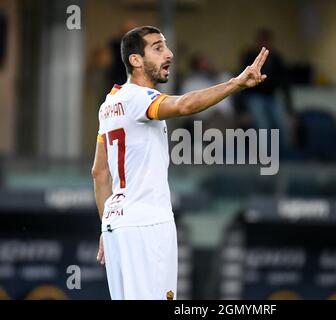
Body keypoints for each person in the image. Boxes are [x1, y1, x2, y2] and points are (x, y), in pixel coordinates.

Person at [91, 26, 269, 300]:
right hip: (147, 225)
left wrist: (106, 225)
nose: (170, 54)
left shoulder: (109, 104)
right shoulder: (139, 98)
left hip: (117, 227)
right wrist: (237, 83)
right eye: (158, 48)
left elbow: (98, 173)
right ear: (135, 60)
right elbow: (185, 105)